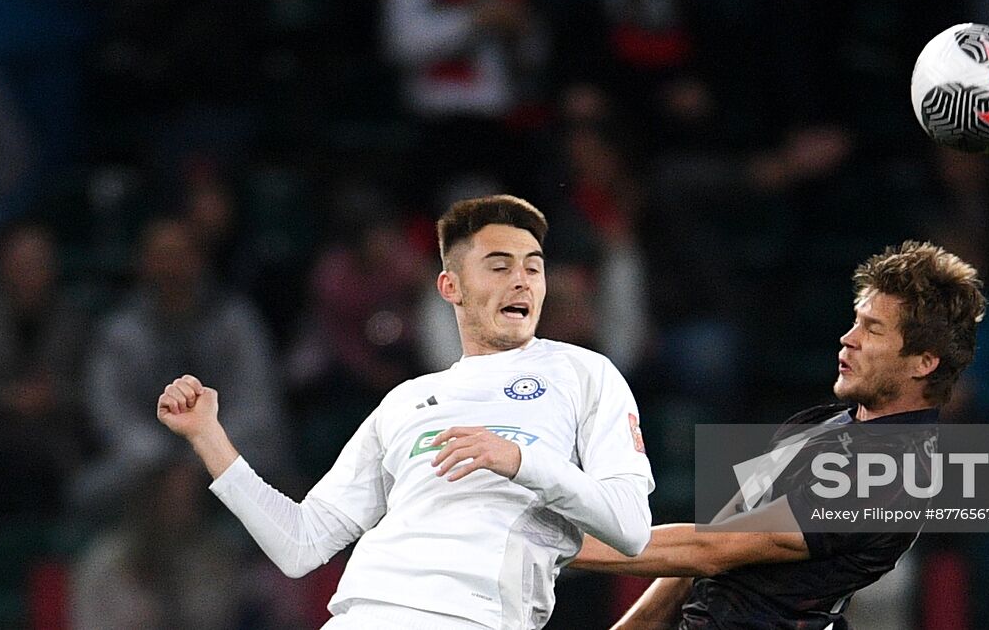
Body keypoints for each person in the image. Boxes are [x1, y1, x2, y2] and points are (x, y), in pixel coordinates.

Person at [156, 194, 654, 629]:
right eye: (500, 266)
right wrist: (208, 437)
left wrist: (521, 461)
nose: (521, 281)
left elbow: (630, 528)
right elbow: (300, 545)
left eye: (534, 266)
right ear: (450, 287)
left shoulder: (584, 373)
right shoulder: (406, 400)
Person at [572, 240, 986, 630]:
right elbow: (708, 542)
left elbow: (713, 549)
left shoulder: (890, 474)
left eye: (873, 330)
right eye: (856, 322)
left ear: (923, 363)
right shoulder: (822, 422)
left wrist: (555, 544)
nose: (848, 338)